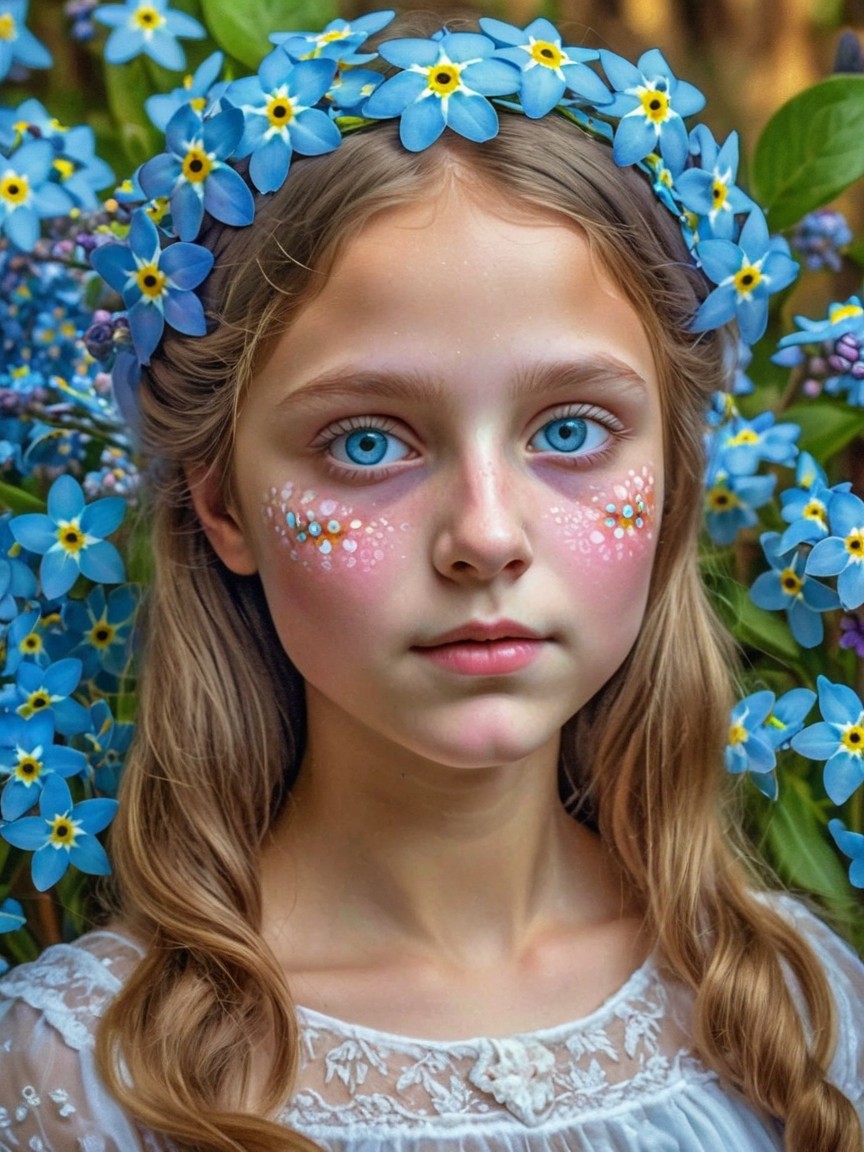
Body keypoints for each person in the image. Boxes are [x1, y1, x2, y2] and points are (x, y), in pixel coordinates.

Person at [0, 10, 862, 1152]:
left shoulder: (803, 1011)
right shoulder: (85, 1071)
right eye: (368, 443)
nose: (486, 536)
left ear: (678, 477)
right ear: (221, 503)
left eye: (571, 430)